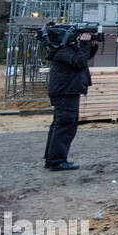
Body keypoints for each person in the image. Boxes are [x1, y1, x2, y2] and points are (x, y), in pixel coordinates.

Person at [44, 25, 100, 171]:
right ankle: (57, 161)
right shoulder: (62, 50)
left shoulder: (62, 49)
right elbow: (79, 62)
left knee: (60, 125)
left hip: (66, 91)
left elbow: (83, 58)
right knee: (65, 126)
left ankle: (52, 159)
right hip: (66, 92)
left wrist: (91, 45)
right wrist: (85, 44)